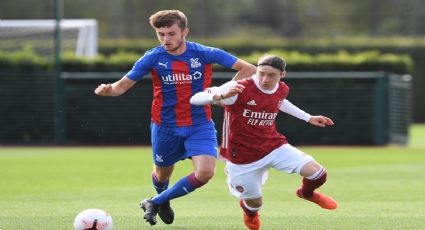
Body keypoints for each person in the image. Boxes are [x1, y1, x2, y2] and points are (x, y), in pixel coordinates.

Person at [94, 10, 256, 226]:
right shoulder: (153, 57)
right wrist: (107, 90)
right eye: (161, 34)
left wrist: (220, 93)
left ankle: (156, 201)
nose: (166, 39)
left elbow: (249, 69)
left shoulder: (204, 53)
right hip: (165, 127)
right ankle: (163, 199)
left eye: (171, 33)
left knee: (206, 172)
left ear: (185, 32)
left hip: (200, 124)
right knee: (162, 175)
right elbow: (120, 87)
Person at [190, 54, 338, 230]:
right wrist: (220, 96)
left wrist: (309, 118)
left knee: (318, 173)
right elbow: (195, 99)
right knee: (255, 202)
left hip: (273, 145)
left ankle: (306, 193)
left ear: (282, 75)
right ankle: (249, 211)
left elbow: (279, 101)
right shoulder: (238, 88)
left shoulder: (281, 88)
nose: (265, 79)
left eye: (271, 75)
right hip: (242, 156)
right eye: (261, 73)